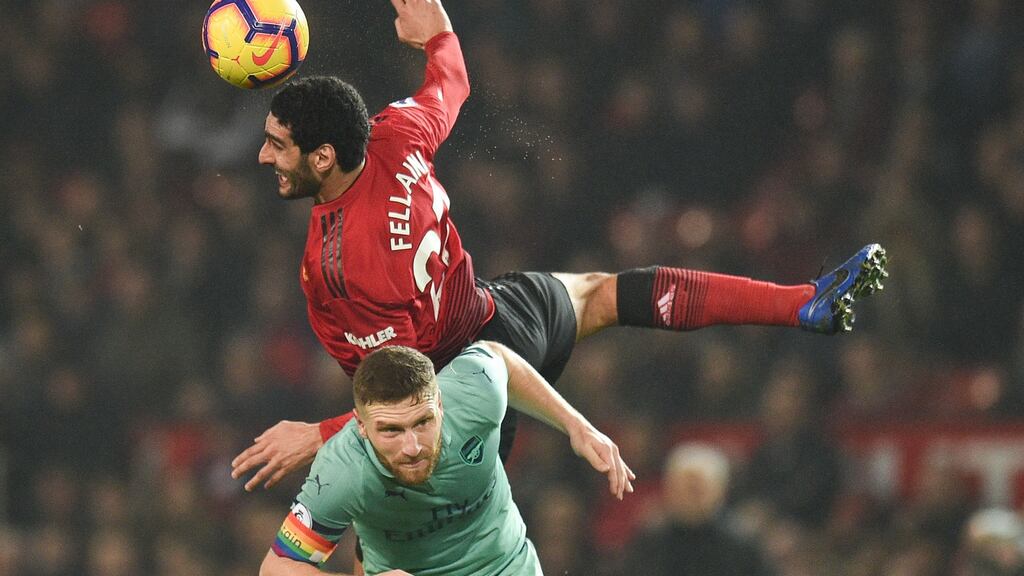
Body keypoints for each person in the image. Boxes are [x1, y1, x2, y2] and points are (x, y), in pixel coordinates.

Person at [231, 0, 888, 491]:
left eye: (277, 146)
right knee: (605, 294)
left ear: (324, 156)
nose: (264, 157)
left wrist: (315, 435)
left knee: (385, 546)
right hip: (502, 317)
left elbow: (409, 398)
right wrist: (438, 34)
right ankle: (801, 302)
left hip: (464, 396)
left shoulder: (341, 266)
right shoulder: (394, 134)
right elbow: (451, 84)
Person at [258, 342, 633, 576]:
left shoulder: (473, 393)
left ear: (439, 404)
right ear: (361, 427)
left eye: (422, 422)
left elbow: (500, 358)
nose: (412, 446)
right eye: (391, 430)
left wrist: (576, 425)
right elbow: (277, 566)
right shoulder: (342, 470)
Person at [624, 442, 774, 576]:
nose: (691, 496)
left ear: (720, 490)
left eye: (698, 489)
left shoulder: (742, 543)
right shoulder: (651, 542)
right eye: (685, 487)